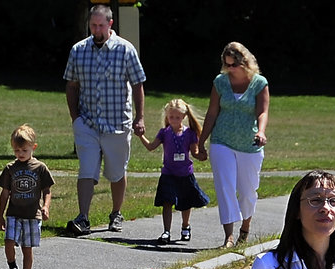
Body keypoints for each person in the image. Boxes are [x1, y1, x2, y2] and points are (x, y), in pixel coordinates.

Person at [63, 4, 146, 236]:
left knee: (116, 172)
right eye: (93, 25)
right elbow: (71, 85)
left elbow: (138, 84)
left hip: (117, 123)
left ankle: (116, 212)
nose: (96, 30)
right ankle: (83, 217)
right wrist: (75, 118)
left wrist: (140, 118)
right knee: (86, 170)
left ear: (110, 24)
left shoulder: (125, 50)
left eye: (100, 25)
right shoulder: (79, 50)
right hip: (88, 123)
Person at [196, 42, 269, 249]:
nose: (230, 69)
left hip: (249, 144)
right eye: (227, 65)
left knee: (247, 191)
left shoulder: (259, 83)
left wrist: (261, 131)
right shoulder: (220, 82)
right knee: (224, 187)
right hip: (222, 141)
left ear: (244, 63)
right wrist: (201, 143)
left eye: (233, 65)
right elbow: (212, 113)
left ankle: (245, 229)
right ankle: (228, 237)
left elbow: (263, 112)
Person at [135, 99, 211, 243]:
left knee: (186, 203)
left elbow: (195, 153)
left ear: (184, 117)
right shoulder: (164, 133)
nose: (174, 120)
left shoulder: (190, 133)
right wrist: (140, 136)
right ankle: (166, 231)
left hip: (185, 173)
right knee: (167, 202)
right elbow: (151, 147)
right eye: (171, 117)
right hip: (168, 173)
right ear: (167, 116)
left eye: (177, 117)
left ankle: (185, 226)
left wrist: (202, 155)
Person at [0, 125, 55, 269]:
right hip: (14, 213)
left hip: (32, 215)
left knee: (26, 248)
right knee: (8, 243)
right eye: (16, 150)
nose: (20, 154)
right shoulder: (10, 168)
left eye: (24, 150)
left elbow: (47, 190)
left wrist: (45, 206)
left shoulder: (40, 168)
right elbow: (5, 193)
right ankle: (13, 268)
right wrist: (0, 215)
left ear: (33, 147)